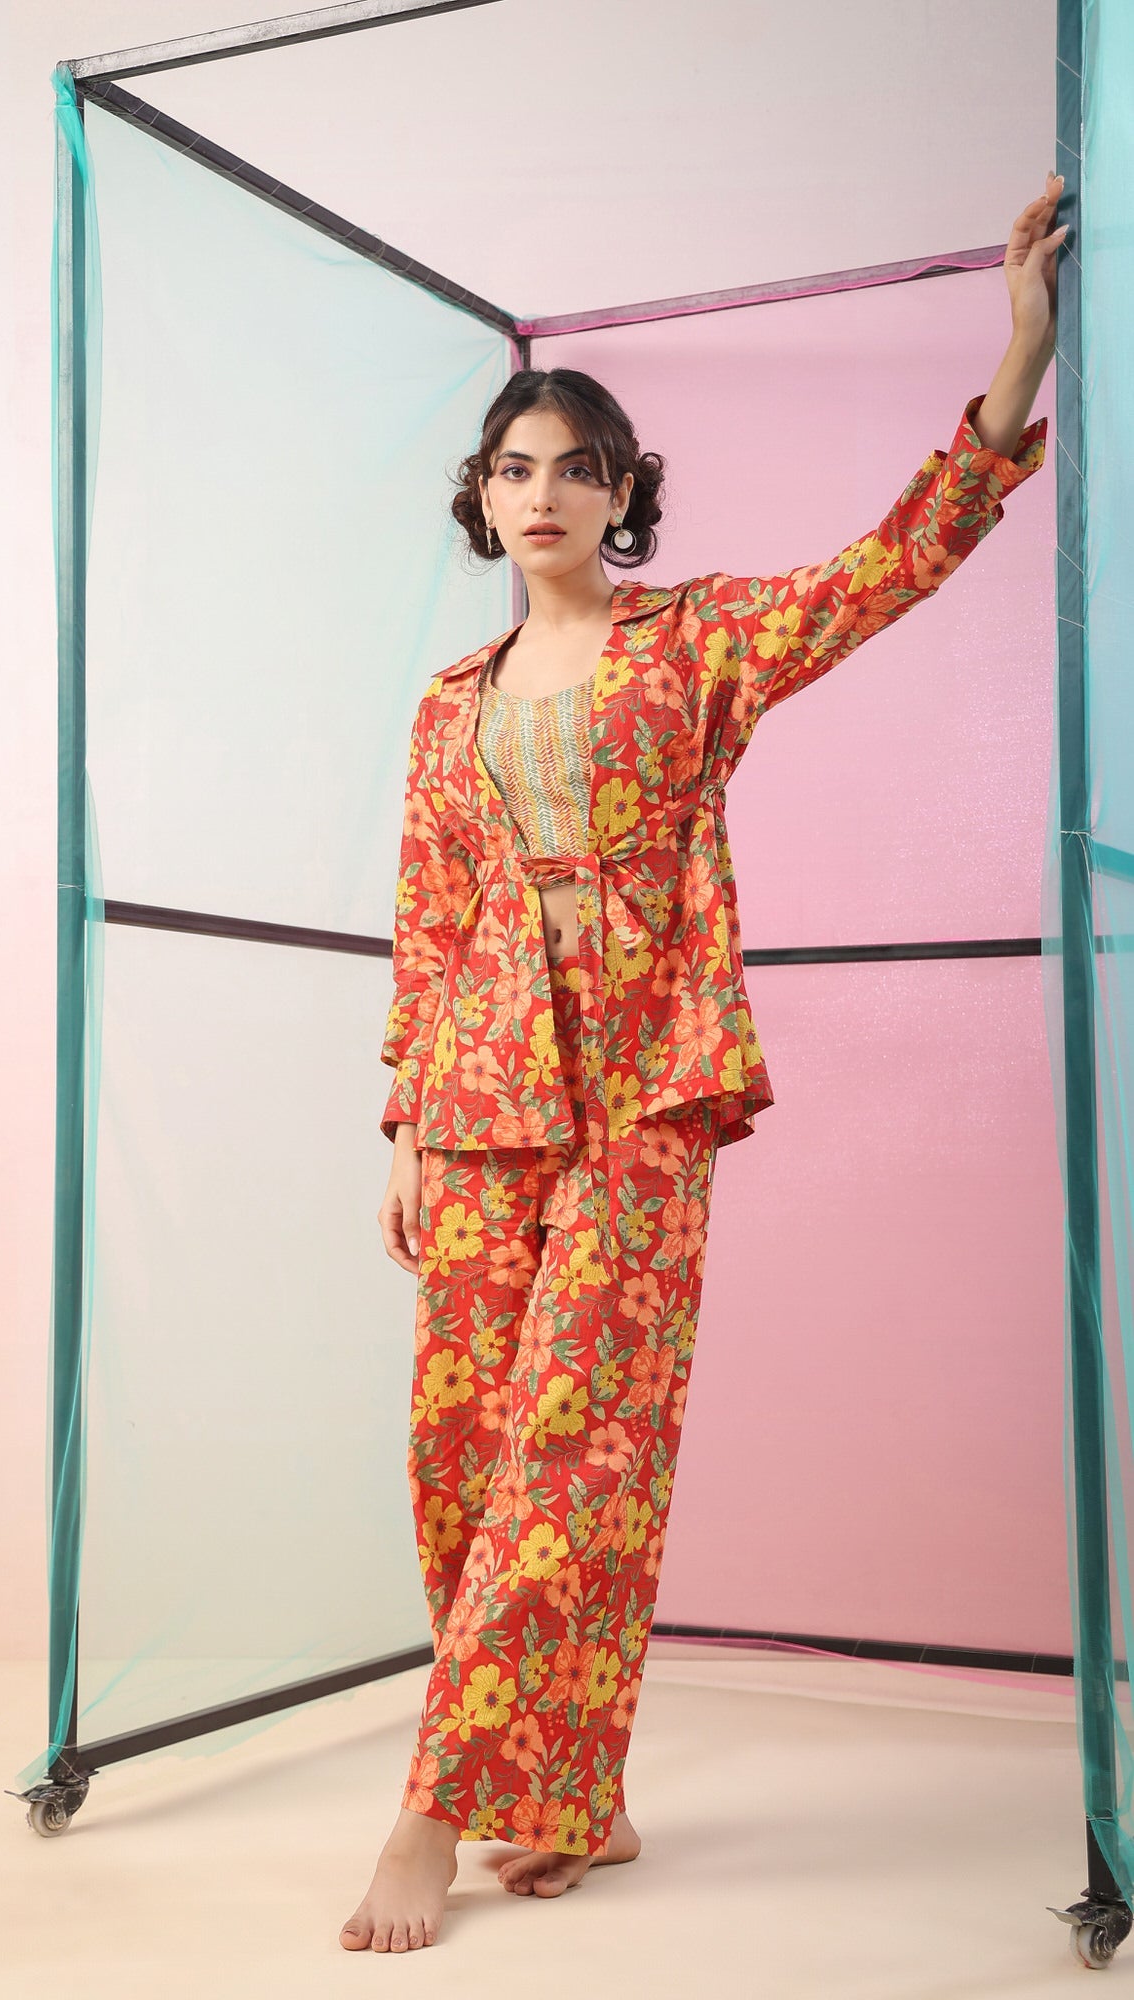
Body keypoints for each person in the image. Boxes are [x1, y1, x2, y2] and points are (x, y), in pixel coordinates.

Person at [339, 172, 1064, 1955]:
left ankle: (429, 1816)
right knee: (460, 1451)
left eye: (576, 467)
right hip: (480, 1097)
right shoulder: (445, 706)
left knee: (571, 1456)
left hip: (643, 1094)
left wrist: (1017, 360)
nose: (541, 493)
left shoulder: (700, 646)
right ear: (481, 497)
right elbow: (428, 922)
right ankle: (565, 1794)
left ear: (623, 495)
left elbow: (883, 573)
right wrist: (405, 1125)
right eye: (514, 467)